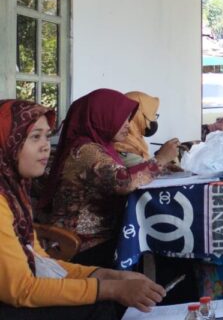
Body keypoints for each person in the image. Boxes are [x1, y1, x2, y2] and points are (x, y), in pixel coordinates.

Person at [0, 100, 167, 319]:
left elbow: (40, 262)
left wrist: (106, 276)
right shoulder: (86, 151)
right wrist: (110, 288)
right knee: (102, 306)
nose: (45, 146)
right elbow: (21, 288)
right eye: (34, 137)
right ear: (7, 142)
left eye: (46, 136)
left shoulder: (13, 193)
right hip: (78, 241)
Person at [41, 89, 179, 268]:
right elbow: (123, 182)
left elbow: (119, 172)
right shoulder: (86, 151)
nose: (128, 126)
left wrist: (162, 168)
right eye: (123, 120)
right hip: (80, 243)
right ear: (102, 117)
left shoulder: (100, 147)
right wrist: (159, 160)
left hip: (99, 237)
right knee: (158, 243)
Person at [113, 91, 180, 167]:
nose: (154, 119)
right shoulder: (123, 147)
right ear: (137, 116)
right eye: (152, 114)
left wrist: (165, 159)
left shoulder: (135, 142)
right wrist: (162, 158)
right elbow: (142, 172)